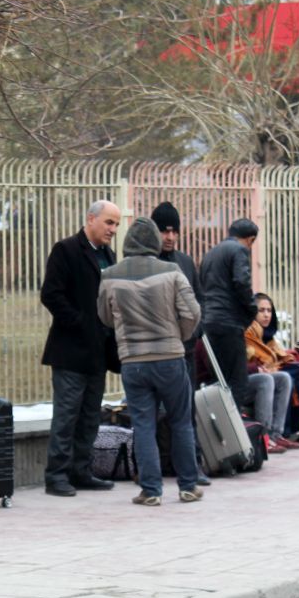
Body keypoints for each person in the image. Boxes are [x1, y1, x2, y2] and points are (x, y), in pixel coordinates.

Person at [96, 217, 205, 506]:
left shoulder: (110, 274)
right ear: (155, 243)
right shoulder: (172, 271)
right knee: (181, 422)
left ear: (128, 243)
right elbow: (192, 312)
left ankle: (151, 490)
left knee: (143, 425)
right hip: (170, 358)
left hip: (133, 361)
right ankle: (188, 486)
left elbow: (104, 316)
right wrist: (178, 337)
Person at [40, 199, 121, 497]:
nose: (113, 229)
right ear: (91, 219)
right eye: (109, 223)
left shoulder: (108, 256)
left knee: (90, 415)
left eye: (116, 225)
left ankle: (81, 471)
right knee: (67, 414)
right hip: (71, 350)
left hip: (98, 351)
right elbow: (51, 294)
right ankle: (57, 475)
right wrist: (80, 322)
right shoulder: (67, 249)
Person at [197, 217, 260, 410]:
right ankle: (236, 431)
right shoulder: (239, 250)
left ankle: (219, 432)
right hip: (229, 322)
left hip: (209, 322)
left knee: (220, 380)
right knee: (238, 380)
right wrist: (251, 309)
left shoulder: (210, 254)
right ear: (250, 239)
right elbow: (242, 282)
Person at [151, 202, 202, 386]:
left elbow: (199, 298)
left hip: (186, 351)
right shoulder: (146, 262)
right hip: (157, 352)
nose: (170, 237)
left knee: (187, 406)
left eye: (174, 232)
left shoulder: (186, 262)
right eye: (165, 231)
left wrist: (195, 329)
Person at [244, 293, 299, 452]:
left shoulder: (266, 334)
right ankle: (264, 437)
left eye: (269, 310)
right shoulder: (245, 332)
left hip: (253, 374)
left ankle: (276, 434)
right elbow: (235, 364)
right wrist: (256, 368)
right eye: (261, 310)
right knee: (266, 380)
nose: (266, 314)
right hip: (239, 381)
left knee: (285, 378)